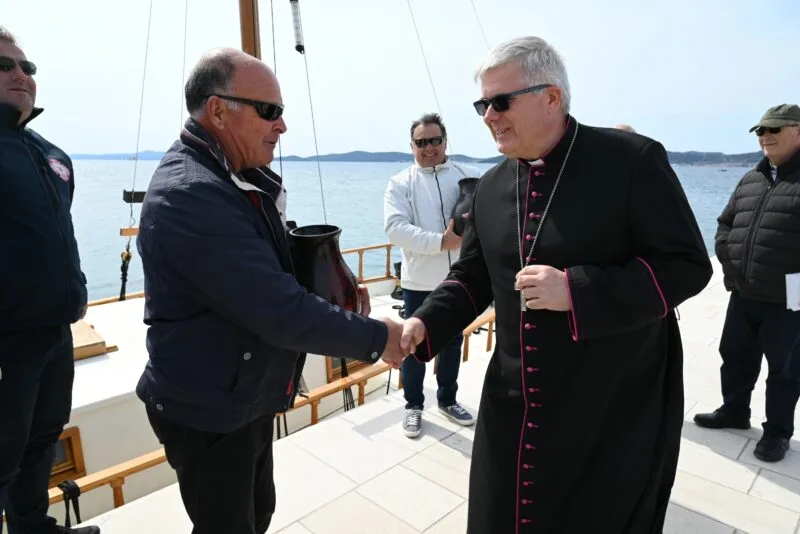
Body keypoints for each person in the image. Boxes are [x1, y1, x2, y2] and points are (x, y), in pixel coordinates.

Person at [399, 36, 713, 533]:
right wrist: (424, 322)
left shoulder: (630, 160)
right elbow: (473, 276)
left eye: (501, 102)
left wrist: (577, 291)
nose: (489, 116)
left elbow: (688, 265)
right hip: (514, 404)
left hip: (611, 403)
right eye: (482, 105)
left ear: (551, 97)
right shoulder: (491, 186)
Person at [135, 48, 405, 534]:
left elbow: (259, 273)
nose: (281, 125)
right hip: (210, 409)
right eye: (269, 111)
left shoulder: (232, 178)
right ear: (218, 110)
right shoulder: (192, 193)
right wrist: (377, 337)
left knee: (258, 513)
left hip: (240, 393)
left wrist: (332, 290)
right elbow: (278, 310)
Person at [0, 28, 95, 534]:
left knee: (41, 439)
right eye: (5, 66)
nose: (21, 75)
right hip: (8, 337)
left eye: (27, 67)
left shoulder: (52, 154)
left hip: (56, 329)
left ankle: (33, 528)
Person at [694, 104, 800, 463]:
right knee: (735, 356)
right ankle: (735, 411)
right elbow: (725, 223)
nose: (765, 136)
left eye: (774, 129)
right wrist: (729, 262)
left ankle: (777, 433)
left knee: (785, 370)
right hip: (743, 292)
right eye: (760, 131)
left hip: (788, 300)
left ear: (798, 131)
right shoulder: (751, 178)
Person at [383, 112, 478, 437]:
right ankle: (413, 405)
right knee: (411, 344)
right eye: (421, 142)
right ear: (412, 146)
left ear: (445, 141)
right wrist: (441, 242)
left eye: (434, 140)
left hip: (457, 280)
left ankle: (448, 400)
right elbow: (395, 228)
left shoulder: (469, 175)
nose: (428, 148)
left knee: (452, 342)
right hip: (418, 282)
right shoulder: (400, 183)